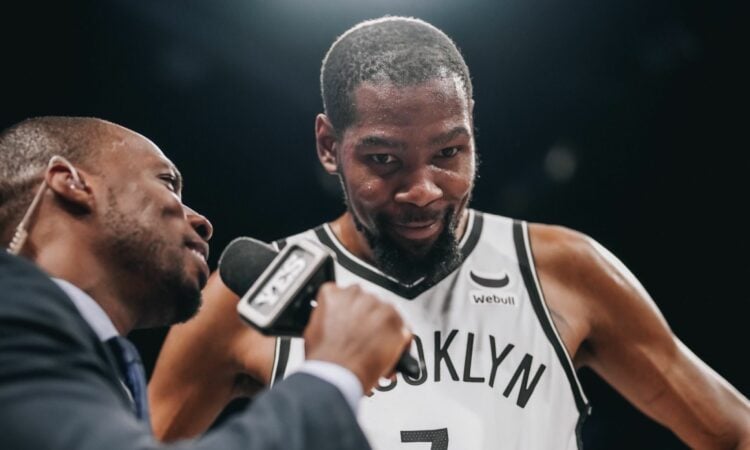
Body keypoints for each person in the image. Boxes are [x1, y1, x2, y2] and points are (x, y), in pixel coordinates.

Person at [148, 17, 750, 449]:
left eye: (448, 153)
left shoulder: (563, 268)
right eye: (385, 160)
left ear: (471, 134)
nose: (423, 190)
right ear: (330, 146)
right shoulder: (251, 295)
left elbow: (733, 431)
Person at [0, 116, 413, 450]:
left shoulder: (83, 365)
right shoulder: (12, 317)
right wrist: (335, 372)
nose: (202, 221)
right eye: (167, 183)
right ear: (71, 183)